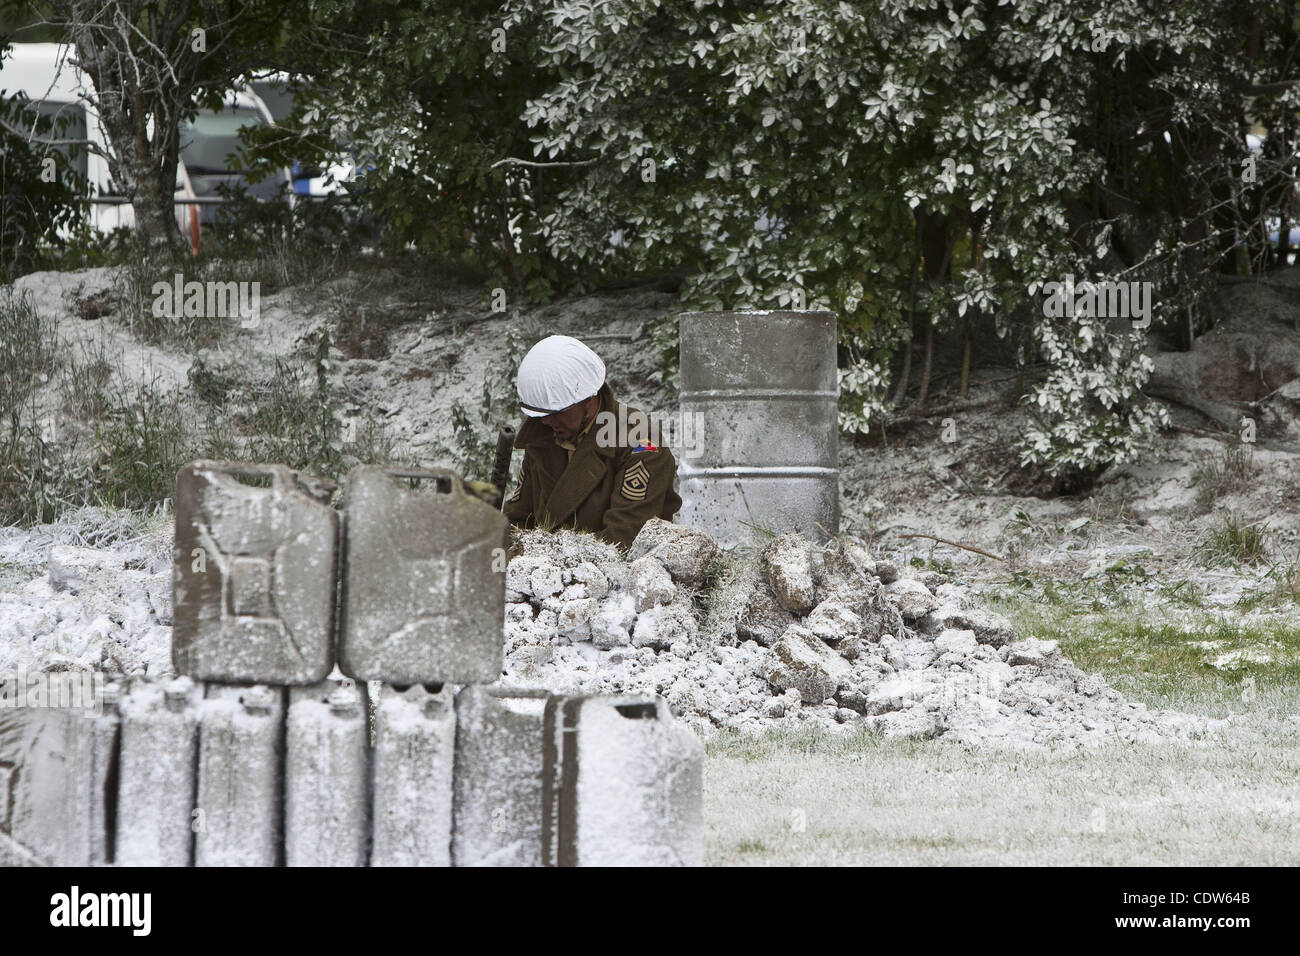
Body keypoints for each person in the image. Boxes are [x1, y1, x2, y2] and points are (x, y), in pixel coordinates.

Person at [503, 334, 682, 549]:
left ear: (588, 398)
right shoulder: (542, 438)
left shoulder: (639, 440)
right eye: (541, 415)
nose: (548, 421)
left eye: (557, 412)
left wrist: (549, 559)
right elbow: (519, 519)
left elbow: (625, 536)